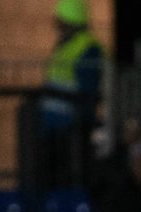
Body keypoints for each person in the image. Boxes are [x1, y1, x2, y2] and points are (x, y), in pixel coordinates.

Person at [36, 0, 103, 192]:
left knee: (71, 181)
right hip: (54, 125)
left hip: (73, 128)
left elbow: (87, 91)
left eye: (61, 21)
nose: (57, 26)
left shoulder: (88, 49)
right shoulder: (64, 46)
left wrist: (80, 119)